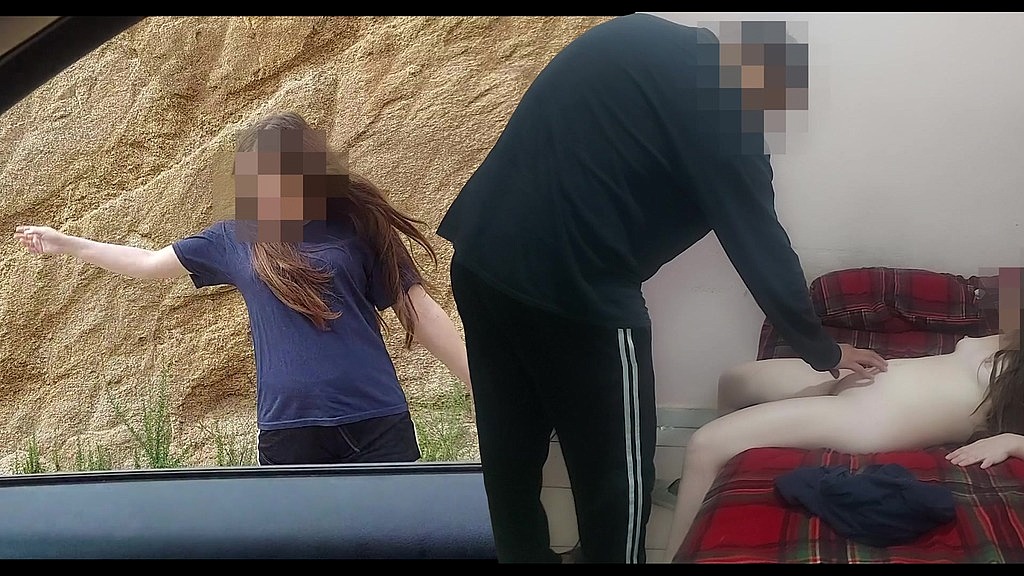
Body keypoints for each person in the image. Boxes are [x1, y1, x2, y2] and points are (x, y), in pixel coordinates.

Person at [435, 13, 888, 564]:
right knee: (617, 476)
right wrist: (824, 351)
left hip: (482, 259)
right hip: (580, 296)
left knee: (510, 446)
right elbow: (759, 241)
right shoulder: (727, 111)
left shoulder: (635, 35)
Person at [13, 111, 472, 466]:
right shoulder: (235, 238)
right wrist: (67, 243)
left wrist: (481, 384)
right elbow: (149, 264)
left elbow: (419, 311)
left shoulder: (357, 227)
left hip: (376, 420)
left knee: (395, 543)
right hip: (288, 430)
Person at [664, 329, 1024, 558]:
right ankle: (701, 491)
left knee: (704, 445)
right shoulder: (1013, 326)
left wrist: (1011, 441)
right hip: (863, 374)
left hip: (874, 415)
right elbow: (1009, 284)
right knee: (732, 380)